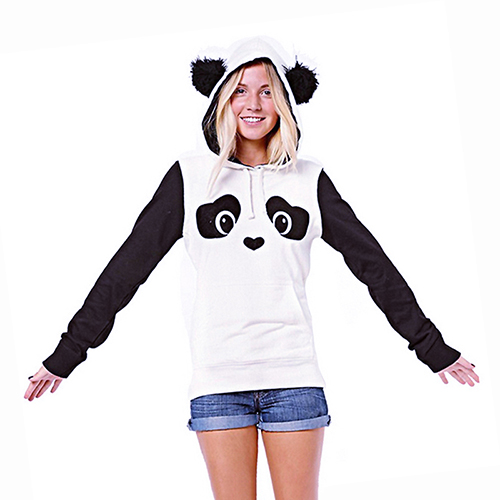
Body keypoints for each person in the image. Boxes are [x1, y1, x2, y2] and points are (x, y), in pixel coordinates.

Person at [24, 37, 479, 500]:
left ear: (284, 102)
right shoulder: (190, 177)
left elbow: (374, 267)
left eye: (266, 91)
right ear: (222, 98)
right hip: (218, 380)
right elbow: (125, 271)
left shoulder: (309, 180)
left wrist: (432, 347)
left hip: (294, 377)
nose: (254, 104)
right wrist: (67, 354)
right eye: (240, 90)